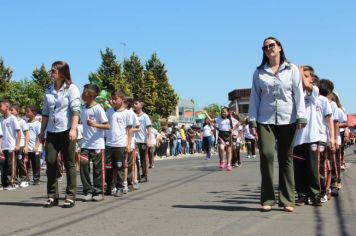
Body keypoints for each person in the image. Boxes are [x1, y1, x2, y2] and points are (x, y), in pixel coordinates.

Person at [248, 37, 306, 212]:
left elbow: (298, 93)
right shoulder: (259, 72)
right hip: (265, 119)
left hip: (288, 118)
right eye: (265, 47)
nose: (268, 48)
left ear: (280, 47)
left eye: (271, 45)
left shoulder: (292, 69)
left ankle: (287, 200)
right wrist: (252, 119)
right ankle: (267, 199)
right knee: (266, 155)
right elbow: (255, 97)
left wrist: (301, 117)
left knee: (286, 157)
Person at [39, 61, 81, 208]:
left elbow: (76, 109)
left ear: (63, 72)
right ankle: (52, 196)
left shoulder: (72, 89)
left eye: (54, 70)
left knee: (69, 162)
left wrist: (74, 129)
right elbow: (45, 112)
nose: (51, 73)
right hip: (51, 130)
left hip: (67, 130)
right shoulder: (48, 89)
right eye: (51, 70)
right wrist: (41, 131)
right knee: (50, 162)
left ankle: (70, 196)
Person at [80, 84, 110, 202]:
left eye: (85, 92)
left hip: (97, 144)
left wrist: (95, 125)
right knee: (83, 167)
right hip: (85, 144)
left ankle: (98, 191)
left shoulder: (98, 108)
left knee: (98, 169)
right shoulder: (83, 108)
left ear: (92, 95)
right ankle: (87, 191)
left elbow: (107, 125)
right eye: (83, 92)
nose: (83, 94)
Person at [105, 90, 133, 197]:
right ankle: (109, 185)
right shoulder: (109, 112)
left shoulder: (127, 113)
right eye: (112, 99)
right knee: (108, 167)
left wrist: (128, 144)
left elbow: (129, 130)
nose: (113, 101)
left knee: (119, 167)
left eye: (116, 99)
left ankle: (120, 186)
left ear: (122, 99)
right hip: (109, 143)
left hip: (120, 144)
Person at [0, 100, 21, 190]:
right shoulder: (1, 119)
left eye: (1, 106)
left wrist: (17, 145)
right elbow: (1, 135)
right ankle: (4, 184)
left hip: (11, 146)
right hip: (4, 146)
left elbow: (19, 132)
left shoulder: (12, 118)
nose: (0, 108)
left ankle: (12, 183)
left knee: (10, 166)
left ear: (7, 107)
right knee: (3, 166)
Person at [10, 105, 29, 188]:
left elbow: (27, 134)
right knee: (14, 164)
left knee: (21, 163)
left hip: (21, 145)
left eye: (12, 110)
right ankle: (16, 180)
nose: (10, 112)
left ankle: (24, 179)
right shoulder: (10, 121)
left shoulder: (22, 121)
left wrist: (26, 146)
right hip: (13, 145)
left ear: (17, 112)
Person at [133, 98, 152, 183]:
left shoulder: (145, 116)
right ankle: (137, 176)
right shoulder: (132, 115)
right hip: (134, 141)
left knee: (144, 159)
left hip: (143, 141)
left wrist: (149, 139)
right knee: (135, 158)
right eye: (134, 103)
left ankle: (144, 175)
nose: (134, 105)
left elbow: (149, 128)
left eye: (136, 103)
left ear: (141, 105)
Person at [25, 105, 42, 185]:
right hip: (27, 148)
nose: (26, 113)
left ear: (34, 113)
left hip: (35, 148)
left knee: (36, 165)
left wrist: (37, 146)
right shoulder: (26, 123)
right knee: (26, 164)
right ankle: (26, 178)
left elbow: (40, 136)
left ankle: (36, 179)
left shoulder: (37, 123)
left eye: (28, 111)